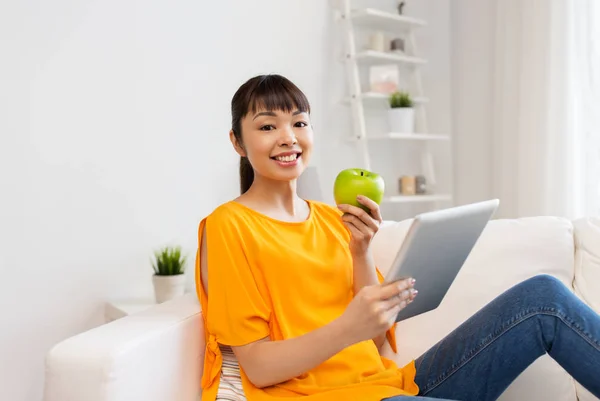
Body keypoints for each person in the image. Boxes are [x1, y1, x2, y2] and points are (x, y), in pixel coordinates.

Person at [194, 74, 600, 401]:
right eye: (268, 126)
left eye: (299, 122)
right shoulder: (229, 225)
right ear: (238, 142)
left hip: (394, 386)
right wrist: (346, 328)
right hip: (318, 396)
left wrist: (360, 251)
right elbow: (259, 368)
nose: (288, 137)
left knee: (543, 298)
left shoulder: (332, 218)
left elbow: (378, 343)